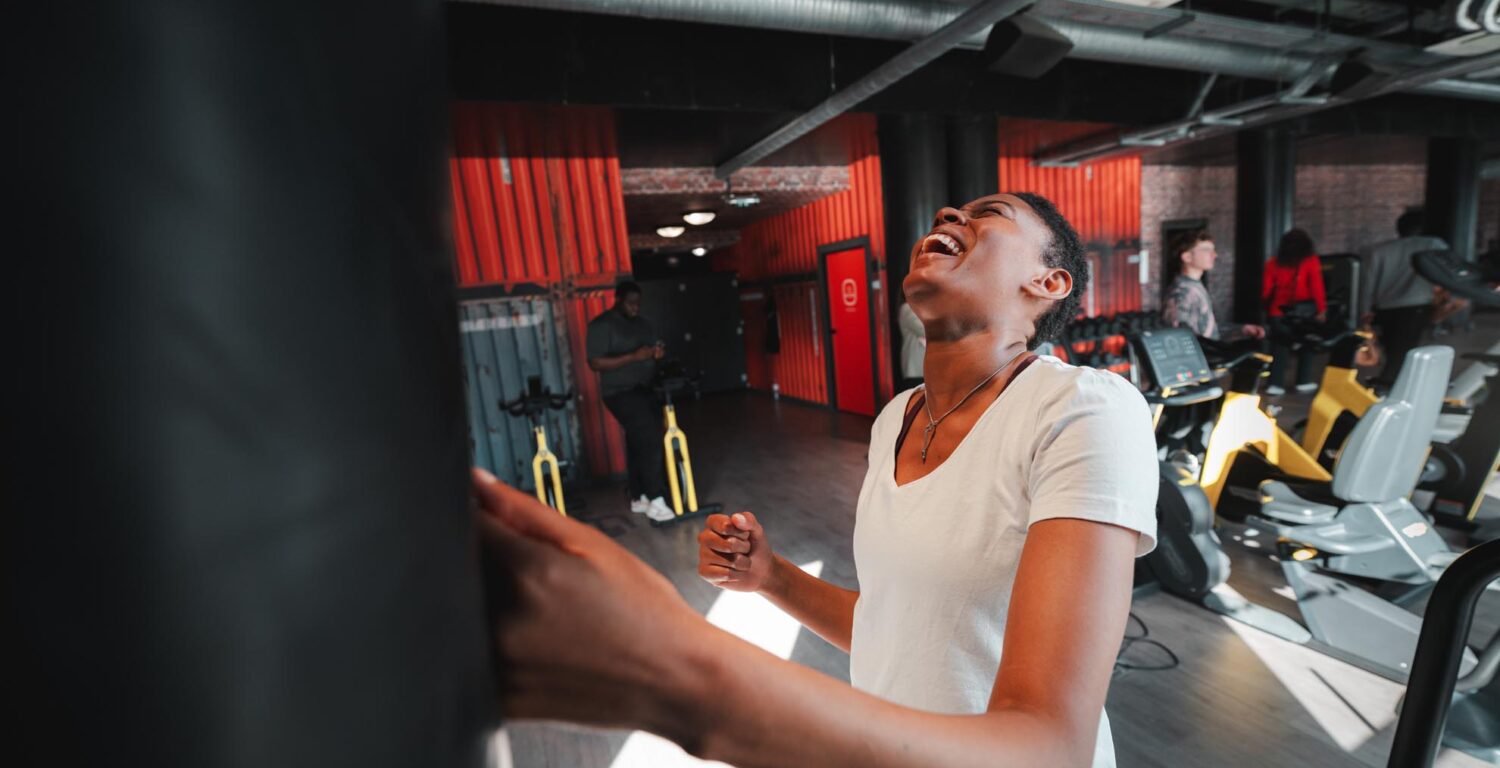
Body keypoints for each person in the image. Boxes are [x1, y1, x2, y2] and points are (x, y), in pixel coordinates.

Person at [477, 192, 1160, 768]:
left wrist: (675, 676)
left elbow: (1048, 747)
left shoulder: (1081, 409)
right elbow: (896, 626)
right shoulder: (896, 418)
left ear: (1049, 283)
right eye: (952, 209)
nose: (952, 212)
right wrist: (771, 578)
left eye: (991, 213)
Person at [586, 281, 673, 521]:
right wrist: (634, 356)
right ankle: (656, 499)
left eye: (638, 303)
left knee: (639, 439)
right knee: (649, 435)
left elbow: (654, 349)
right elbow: (595, 363)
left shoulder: (644, 324)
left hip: (644, 388)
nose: (636, 308)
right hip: (618, 392)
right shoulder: (602, 325)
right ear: (618, 299)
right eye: (631, 303)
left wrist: (656, 354)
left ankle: (639, 497)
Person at [1360, 208, 1464, 387]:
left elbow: (1367, 284)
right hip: (1417, 306)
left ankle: (1392, 382)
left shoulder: (1379, 251)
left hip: (1385, 308)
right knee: (1405, 349)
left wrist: (1364, 310)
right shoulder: (1433, 244)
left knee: (1393, 349)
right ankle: (1391, 384)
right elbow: (1448, 273)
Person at [1160, 229, 1265, 342]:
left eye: (1213, 250)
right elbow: (1178, 339)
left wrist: (1242, 330)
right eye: (1206, 250)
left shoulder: (1194, 287)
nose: (1214, 255)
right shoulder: (1181, 293)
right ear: (1187, 257)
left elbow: (1207, 331)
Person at [1262, 228, 1327, 395]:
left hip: (1278, 310)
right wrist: (1321, 309)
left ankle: (1275, 384)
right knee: (1307, 343)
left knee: (1279, 346)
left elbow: (1266, 291)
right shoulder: (1311, 261)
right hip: (1303, 313)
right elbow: (1316, 287)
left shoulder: (1272, 263)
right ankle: (1302, 381)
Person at [897, 298, 926, 389]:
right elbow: (924, 330)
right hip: (915, 369)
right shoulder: (908, 308)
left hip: (925, 369)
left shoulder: (924, 308)